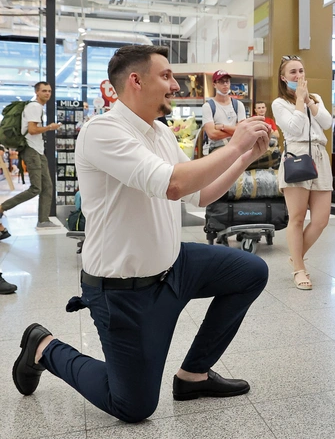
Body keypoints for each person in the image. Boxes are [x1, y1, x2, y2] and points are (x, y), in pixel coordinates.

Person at [11, 45, 271, 422]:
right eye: (166, 76)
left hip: (174, 264)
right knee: (133, 406)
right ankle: (44, 347)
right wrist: (234, 145)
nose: (175, 85)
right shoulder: (102, 131)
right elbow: (173, 185)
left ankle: (194, 375)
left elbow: (200, 194)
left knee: (251, 271)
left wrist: (244, 157)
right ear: (135, 80)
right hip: (123, 289)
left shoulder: (161, 133)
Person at [272, 55, 333, 290]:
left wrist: (309, 101)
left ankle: (296, 256)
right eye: (293, 72)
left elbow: (327, 123)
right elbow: (295, 128)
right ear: (283, 78)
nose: (298, 76)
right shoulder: (279, 103)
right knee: (297, 218)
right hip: (297, 157)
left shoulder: (314, 98)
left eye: (301, 71)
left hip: (319, 157)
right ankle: (299, 268)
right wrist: (298, 100)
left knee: (321, 219)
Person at [0, 82, 61, 240]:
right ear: (37, 92)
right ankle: (1, 208)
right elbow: (33, 130)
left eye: (49, 91)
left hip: (38, 151)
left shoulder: (36, 107)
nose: (47, 94)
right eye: (44, 91)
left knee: (47, 186)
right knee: (36, 188)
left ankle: (43, 220)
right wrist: (50, 127)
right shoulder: (35, 107)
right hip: (31, 150)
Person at [201, 70, 246, 153]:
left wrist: (222, 127)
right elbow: (212, 134)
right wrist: (235, 131)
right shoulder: (208, 106)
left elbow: (243, 130)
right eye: (221, 82)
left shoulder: (238, 105)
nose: (225, 84)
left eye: (227, 81)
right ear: (214, 84)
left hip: (234, 149)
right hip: (214, 150)